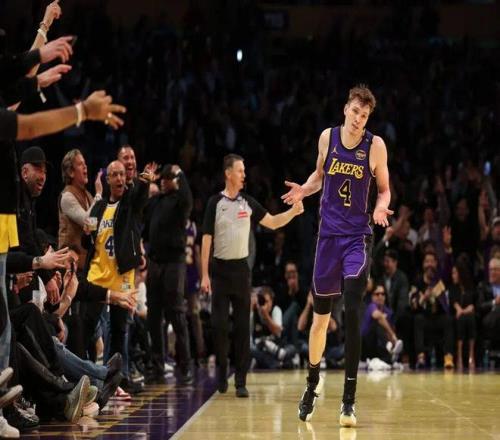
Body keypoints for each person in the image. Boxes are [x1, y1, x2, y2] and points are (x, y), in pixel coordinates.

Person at [281, 85, 392, 427]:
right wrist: (304, 189)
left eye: (365, 115)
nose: (359, 119)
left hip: (357, 237)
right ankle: (312, 384)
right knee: (320, 321)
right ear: (346, 109)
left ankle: (348, 401)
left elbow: (385, 189)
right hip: (328, 238)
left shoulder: (375, 146)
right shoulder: (327, 138)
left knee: (353, 305)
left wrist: (381, 207)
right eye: (355, 111)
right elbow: (319, 175)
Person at [201, 154, 303, 398]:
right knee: (219, 326)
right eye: (240, 170)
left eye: (244, 171)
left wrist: (293, 212)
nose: (244, 175)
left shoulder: (248, 203)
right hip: (219, 271)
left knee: (242, 328)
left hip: (241, 272)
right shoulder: (214, 202)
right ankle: (222, 372)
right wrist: (204, 274)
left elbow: (273, 222)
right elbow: (206, 239)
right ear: (228, 173)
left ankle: (240, 381)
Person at [143, 164, 193, 384]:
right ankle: (157, 366)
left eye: (168, 178)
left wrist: (180, 173)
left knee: (176, 314)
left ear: (175, 180)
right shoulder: (155, 201)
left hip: (174, 262)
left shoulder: (180, 201)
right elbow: (141, 208)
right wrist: (148, 181)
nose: (164, 181)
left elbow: (188, 198)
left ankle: (185, 366)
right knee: (154, 316)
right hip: (155, 262)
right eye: (162, 178)